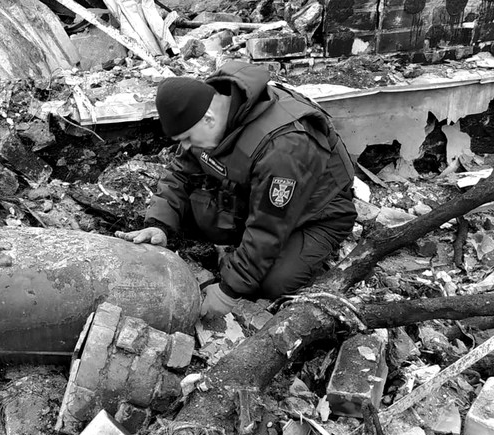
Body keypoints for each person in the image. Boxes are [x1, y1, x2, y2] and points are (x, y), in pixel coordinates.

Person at [116, 61, 357, 319]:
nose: (184, 146)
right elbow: (180, 172)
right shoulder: (207, 112)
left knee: (274, 284)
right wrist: (159, 224)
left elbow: (268, 227)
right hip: (252, 194)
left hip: (314, 214)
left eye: (187, 138)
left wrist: (228, 291)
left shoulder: (284, 147)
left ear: (208, 119)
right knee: (199, 217)